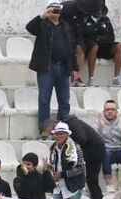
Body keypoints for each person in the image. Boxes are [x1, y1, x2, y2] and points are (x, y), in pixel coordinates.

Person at [28, 1, 75, 136]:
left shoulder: (66, 26)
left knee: (64, 101)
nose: (55, 11)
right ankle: (44, 130)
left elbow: (71, 48)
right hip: (47, 67)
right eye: (52, 9)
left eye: (57, 9)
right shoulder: (42, 24)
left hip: (63, 67)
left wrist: (74, 68)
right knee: (44, 99)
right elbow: (30, 28)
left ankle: (62, 131)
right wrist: (43, 16)